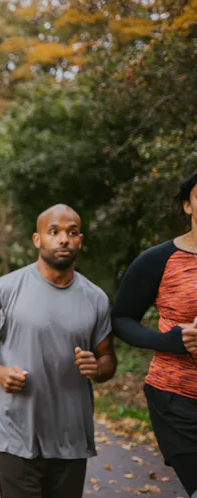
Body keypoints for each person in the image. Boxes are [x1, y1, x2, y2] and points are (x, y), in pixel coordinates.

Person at [0, 204, 116, 498]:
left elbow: (108, 361)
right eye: (54, 232)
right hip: (16, 435)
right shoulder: (6, 288)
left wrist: (98, 367)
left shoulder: (96, 299)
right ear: (37, 239)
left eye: (72, 232)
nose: (63, 239)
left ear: (80, 240)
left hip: (71, 439)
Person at [111, 171, 197, 498]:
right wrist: (168, 341)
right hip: (178, 398)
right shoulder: (159, 260)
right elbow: (122, 319)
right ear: (187, 206)